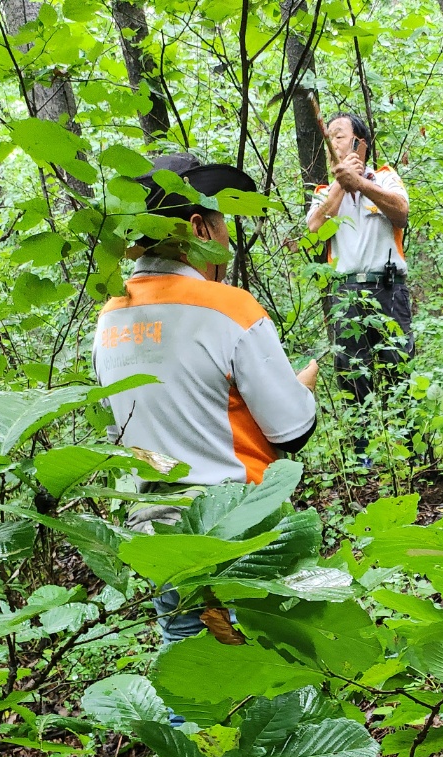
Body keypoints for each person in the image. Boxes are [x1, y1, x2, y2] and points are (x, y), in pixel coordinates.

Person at [94, 151, 319, 646]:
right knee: (265, 667)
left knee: (187, 659)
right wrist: (303, 387)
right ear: (199, 228)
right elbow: (292, 431)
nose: (227, 241)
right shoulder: (228, 307)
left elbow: (119, 433)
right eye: (222, 225)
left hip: (155, 536)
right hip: (234, 527)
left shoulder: (110, 316)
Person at [305, 113, 412, 439]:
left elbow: (401, 213)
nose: (332, 143)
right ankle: (362, 452)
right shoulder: (325, 192)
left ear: (359, 144)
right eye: (329, 137)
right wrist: (342, 183)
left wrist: (361, 184)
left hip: (389, 289)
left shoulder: (385, 178)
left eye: (339, 135)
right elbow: (314, 229)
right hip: (346, 293)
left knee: (397, 366)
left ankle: (405, 447)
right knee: (352, 373)